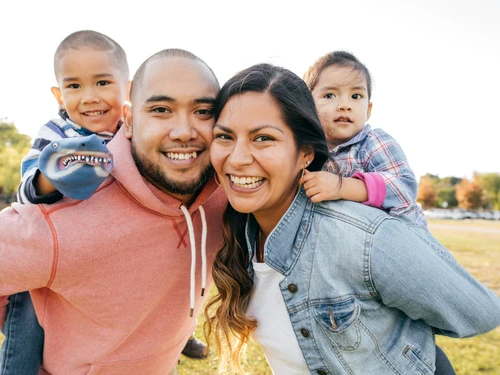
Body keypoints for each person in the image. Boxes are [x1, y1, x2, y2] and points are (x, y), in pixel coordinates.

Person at [204, 63, 500, 374]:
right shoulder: (242, 234)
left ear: (305, 152)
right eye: (224, 137)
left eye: (263, 138)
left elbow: (479, 312)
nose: (237, 158)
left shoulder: (362, 238)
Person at [0, 47, 226, 374]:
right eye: (161, 109)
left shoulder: (222, 197)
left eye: (203, 111)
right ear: (129, 120)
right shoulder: (64, 219)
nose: (184, 131)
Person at [1, 29, 130, 375]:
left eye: (102, 83)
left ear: (128, 89)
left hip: (97, 255)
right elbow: (25, 191)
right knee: (26, 329)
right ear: (59, 95)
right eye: (74, 87)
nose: (89, 97)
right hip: (42, 255)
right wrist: (51, 176)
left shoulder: (131, 132)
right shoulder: (57, 133)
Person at [301, 50, 427, 230]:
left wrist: (342, 187)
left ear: (368, 110)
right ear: (307, 106)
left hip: (404, 240)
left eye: (355, 96)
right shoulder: (306, 153)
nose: (345, 105)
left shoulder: (373, 142)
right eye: (329, 95)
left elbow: (403, 188)